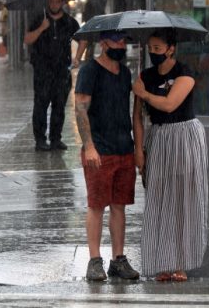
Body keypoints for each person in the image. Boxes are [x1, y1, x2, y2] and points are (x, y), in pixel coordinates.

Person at [132, 29, 208, 282]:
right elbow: (138, 118)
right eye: (150, 48)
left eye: (158, 48)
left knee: (183, 199)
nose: (153, 53)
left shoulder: (185, 72)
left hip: (184, 136)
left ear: (171, 48)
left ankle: (181, 263)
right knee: (159, 199)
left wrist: (143, 93)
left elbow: (170, 104)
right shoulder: (145, 75)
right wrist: (139, 150)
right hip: (159, 138)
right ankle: (162, 263)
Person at [74, 30, 140, 282]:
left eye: (124, 40)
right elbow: (80, 108)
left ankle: (118, 260)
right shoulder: (90, 70)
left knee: (119, 206)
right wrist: (89, 146)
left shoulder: (124, 73)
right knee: (96, 205)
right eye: (116, 41)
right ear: (103, 43)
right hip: (99, 150)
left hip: (123, 148)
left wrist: (135, 148)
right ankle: (94, 260)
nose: (121, 45)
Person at [24, 0, 80, 151]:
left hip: (62, 71)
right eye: (52, 1)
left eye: (57, 1)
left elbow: (83, 38)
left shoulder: (69, 21)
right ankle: (40, 140)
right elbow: (27, 39)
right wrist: (41, 28)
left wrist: (78, 57)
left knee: (59, 106)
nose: (55, 4)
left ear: (62, 2)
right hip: (42, 71)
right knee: (40, 105)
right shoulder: (38, 19)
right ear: (48, 2)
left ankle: (56, 139)